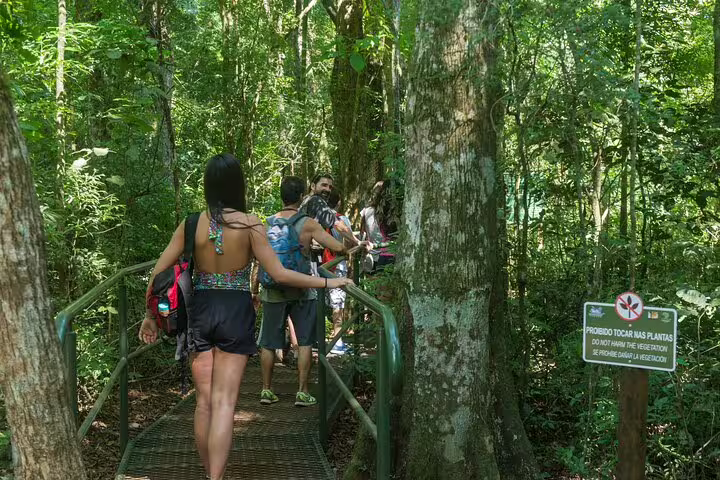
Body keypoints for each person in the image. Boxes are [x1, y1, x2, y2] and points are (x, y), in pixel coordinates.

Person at [138, 155, 352, 480]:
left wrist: (149, 316)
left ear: (208, 186)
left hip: (200, 310)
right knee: (224, 405)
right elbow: (279, 274)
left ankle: (210, 474)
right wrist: (328, 281)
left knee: (204, 404)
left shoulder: (192, 223)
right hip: (235, 312)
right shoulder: (251, 223)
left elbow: (159, 271)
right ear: (239, 185)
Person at [254, 176, 351, 407]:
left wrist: (254, 289)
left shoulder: (267, 224)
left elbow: (259, 260)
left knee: (268, 342)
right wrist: (347, 249)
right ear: (301, 197)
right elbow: (336, 246)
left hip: (273, 288)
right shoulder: (308, 223)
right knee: (305, 341)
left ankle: (266, 390)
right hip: (303, 287)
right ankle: (302, 392)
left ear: (281, 196)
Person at [325, 189, 367, 354]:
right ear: (339, 202)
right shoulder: (340, 219)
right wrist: (359, 243)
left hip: (319, 264)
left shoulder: (315, 218)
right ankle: (337, 341)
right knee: (338, 303)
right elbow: (349, 245)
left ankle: (317, 341)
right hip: (336, 263)